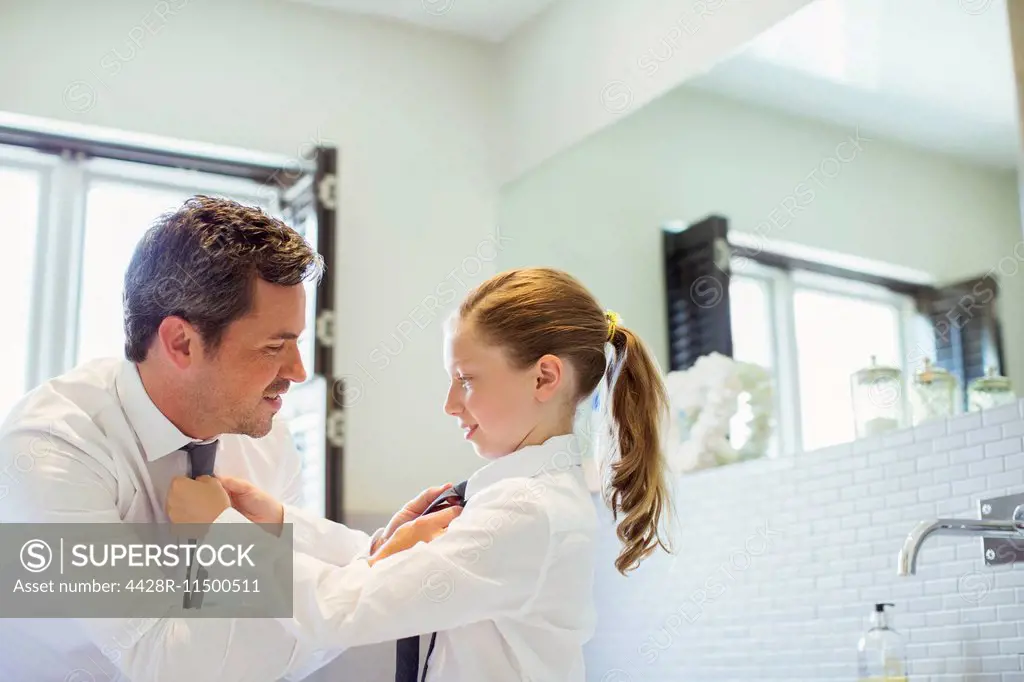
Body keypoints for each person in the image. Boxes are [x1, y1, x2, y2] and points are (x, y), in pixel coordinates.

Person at [0, 195, 458, 682]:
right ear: (181, 343)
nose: (299, 372)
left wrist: (367, 567)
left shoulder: (264, 438)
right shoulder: (51, 449)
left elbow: (275, 655)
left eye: (297, 342)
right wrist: (357, 586)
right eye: (273, 347)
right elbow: (165, 667)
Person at [170, 266, 675, 681]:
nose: (450, 404)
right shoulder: (518, 500)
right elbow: (386, 567)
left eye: (466, 380)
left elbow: (339, 611)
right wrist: (281, 523)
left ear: (544, 376)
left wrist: (221, 533)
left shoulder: (524, 512)